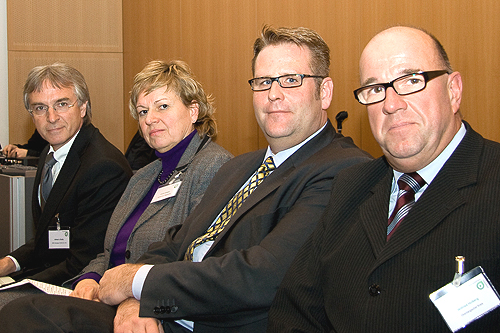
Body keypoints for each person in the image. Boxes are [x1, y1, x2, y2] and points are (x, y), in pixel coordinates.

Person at [0, 26, 371, 332]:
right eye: (262, 82)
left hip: (214, 321)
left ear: (324, 92)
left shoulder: (342, 169)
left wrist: (139, 287)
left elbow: (264, 273)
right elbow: (176, 242)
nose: (273, 94)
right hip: (162, 310)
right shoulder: (240, 168)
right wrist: (134, 293)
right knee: (21, 313)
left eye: (290, 80)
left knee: (23, 316)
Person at [267, 26, 500, 332]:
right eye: (375, 89)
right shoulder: (351, 187)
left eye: (411, 81)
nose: (391, 104)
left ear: (453, 90)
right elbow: (294, 311)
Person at [66, 59, 232, 300]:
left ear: (193, 111)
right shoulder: (142, 176)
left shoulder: (214, 167)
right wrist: (89, 278)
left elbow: (195, 262)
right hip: (107, 298)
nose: (150, 119)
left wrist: (133, 299)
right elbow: (110, 251)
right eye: (143, 111)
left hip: (156, 308)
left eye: (162, 106)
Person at [0, 63, 133, 304]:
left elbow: (84, 259)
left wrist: (16, 288)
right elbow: (48, 237)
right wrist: (8, 263)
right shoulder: (50, 153)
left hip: (78, 286)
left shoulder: (103, 167)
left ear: (83, 107)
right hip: (51, 275)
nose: (51, 118)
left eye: (62, 104)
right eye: (40, 108)